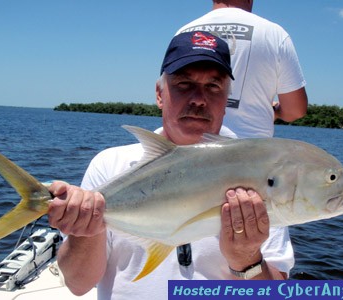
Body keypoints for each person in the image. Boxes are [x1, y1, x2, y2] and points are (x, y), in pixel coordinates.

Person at [47, 31, 294, 300]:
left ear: (227, 100)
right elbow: (77, 285)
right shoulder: (110, 166)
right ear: (160, 94)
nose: (199, 99)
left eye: (213, 86)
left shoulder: (259, 172)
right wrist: (87, 231)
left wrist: (247, 260)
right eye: (184, 84)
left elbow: (276, 294)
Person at [176, 0, 308, 138]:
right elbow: (295, 110)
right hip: (250, 153)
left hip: (191, 150)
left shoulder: (184, 32)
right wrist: (275, 111)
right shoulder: (275, 34)